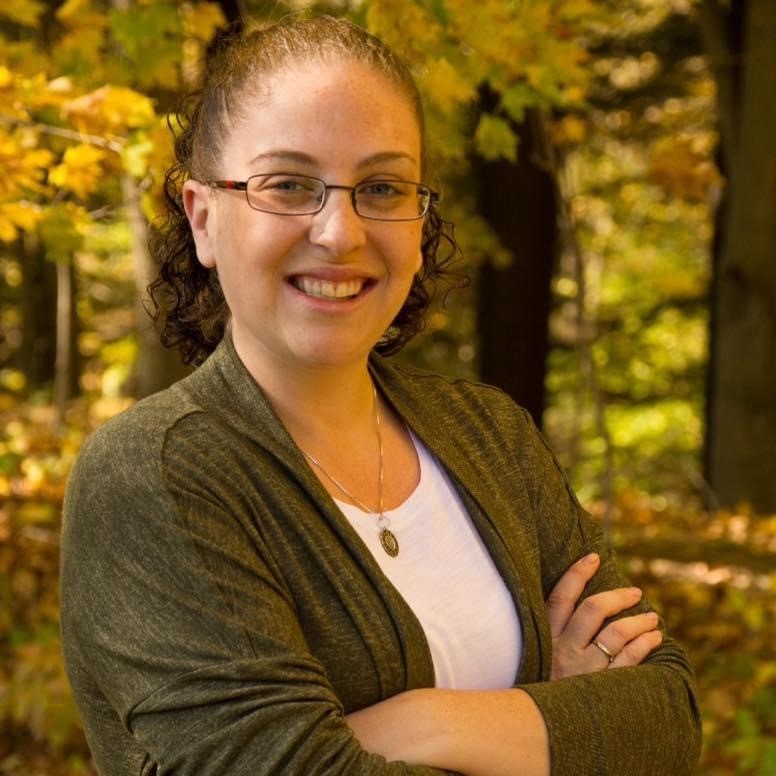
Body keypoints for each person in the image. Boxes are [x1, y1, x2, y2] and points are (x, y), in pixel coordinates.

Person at [60, 14, 701, 776]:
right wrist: (557, 721)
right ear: (203, 217)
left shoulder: (490, 433)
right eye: (289, 185)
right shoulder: (151, 475)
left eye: (382, 187)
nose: (340, 231)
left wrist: (420, 723)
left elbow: (667, 721)